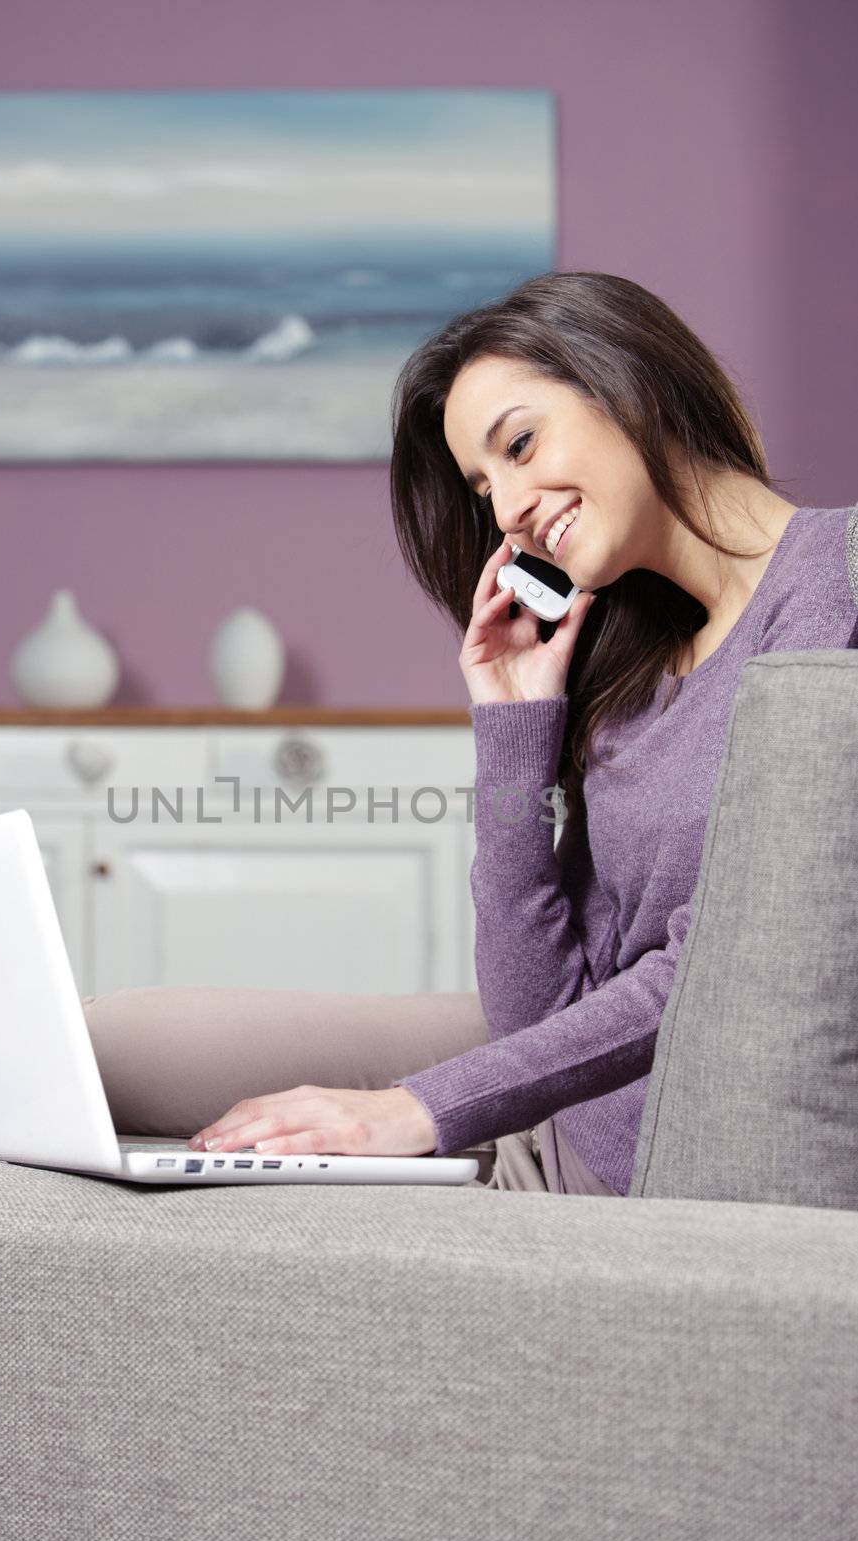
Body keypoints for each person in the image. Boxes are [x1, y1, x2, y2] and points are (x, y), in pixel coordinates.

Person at [82, 269, 858, 1197]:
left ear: (634, 383)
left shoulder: (831, 591)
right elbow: (531, 1006)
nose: (508, 509)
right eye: (484, 485)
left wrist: (414, 1110)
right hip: (549, 1096)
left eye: (521, 445)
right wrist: (512, 719)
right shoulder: (634, 668)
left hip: (628, 1132)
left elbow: (720, 966)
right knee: (105, 1048)